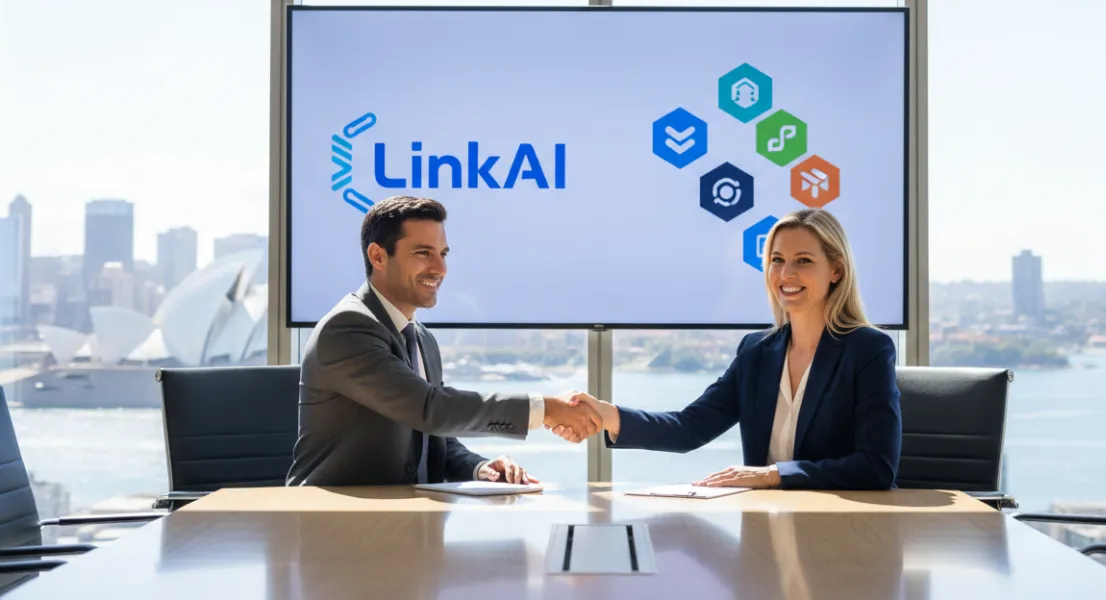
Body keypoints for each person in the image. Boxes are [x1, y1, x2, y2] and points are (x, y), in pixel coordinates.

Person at [561, 208, 901, 490]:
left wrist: (772, 474)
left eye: (804, 261)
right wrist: (607, 415)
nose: (786, 273)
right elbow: (688, 428)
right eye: (777, 259)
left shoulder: (867, 349)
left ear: (836, 270)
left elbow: (876, 468)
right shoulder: (756, 351)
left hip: (844, 532)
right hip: (765, 532)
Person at [287, 195, 599, 486]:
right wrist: (544, 408)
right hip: (334, 524)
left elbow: (434, 435)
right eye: (423, 253)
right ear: (378, 256)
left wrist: (480, 468)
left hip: (403, 523)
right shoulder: (348, 329)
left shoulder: (422, 339)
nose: (440, 269)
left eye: (443, 254)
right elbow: (430, 409)